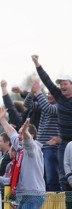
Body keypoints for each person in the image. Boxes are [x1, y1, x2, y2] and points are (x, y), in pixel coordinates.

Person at [32, 54, 72, 191]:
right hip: (63, 144)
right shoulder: (59, 96)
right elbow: (47, 80)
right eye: (60, 84)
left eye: (65, 83)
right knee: (63, 175)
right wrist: (37, 64)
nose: (62, 86)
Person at [23, 78, 61, 191]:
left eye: (51, 93)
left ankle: (56, 207)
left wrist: (39, 92)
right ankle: (45, 206)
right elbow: (27, 104)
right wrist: (32, 92)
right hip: (40, 147)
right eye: (48, 93)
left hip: (51, 148)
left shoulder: (60, 106)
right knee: (42, 179)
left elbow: (48, 109)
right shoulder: (44, 106)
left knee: (52, 179)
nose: (49, 95)